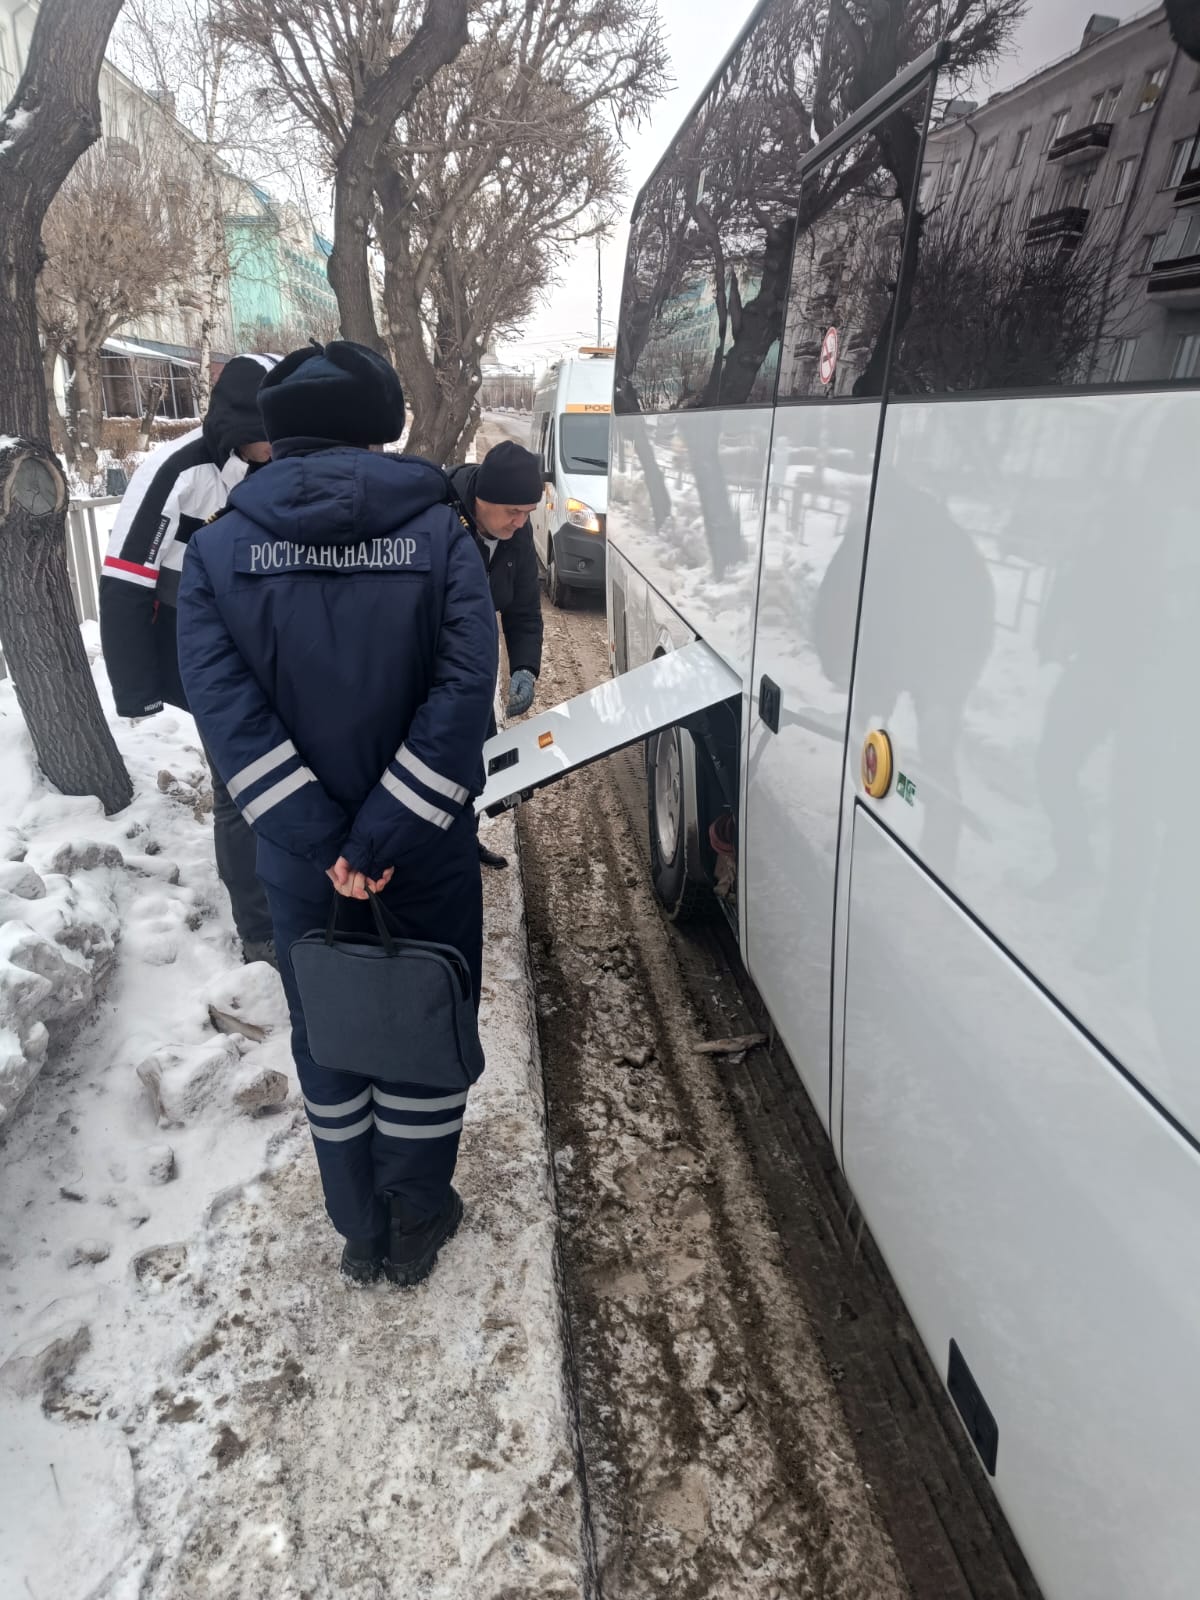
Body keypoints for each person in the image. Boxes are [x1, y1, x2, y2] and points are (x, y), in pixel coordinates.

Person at [176, 341, 497, 1288]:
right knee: (422, 1018)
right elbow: (462, 693)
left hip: (299, 863)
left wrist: (326, 847)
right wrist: (384, 834)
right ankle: (417, 1215)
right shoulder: (441, 535)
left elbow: (228, 721)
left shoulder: (220, 551)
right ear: (382, 421)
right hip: (424, 850)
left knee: (329, 1028)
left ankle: (359, 1228)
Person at [99, 354, 277, 964]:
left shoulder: (278, 464)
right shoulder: (176, 471)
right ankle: (259, 929)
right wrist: (136, 688)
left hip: (267, 643)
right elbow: (124, 579)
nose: (276, 447)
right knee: (236, 788)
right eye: (266, 434)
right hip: (196, 649)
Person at [449, 440, 544, 870]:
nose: (521, 523)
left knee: (479, 761)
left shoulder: (516, 536)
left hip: (476, 663)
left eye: (528, 513)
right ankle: (441, 850)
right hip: (434, 662)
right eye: (513, 511)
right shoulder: (442, 520)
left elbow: (524, 609)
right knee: (446, 759)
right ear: (482, 499)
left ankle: (464, 840)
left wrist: (524, 666)